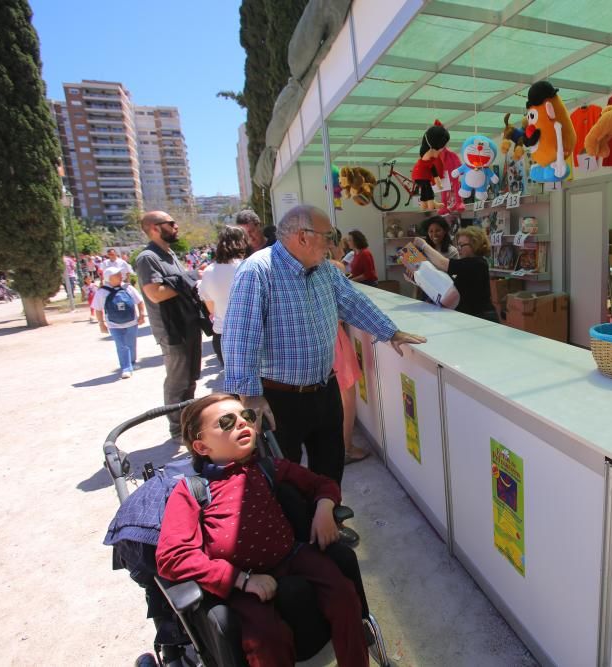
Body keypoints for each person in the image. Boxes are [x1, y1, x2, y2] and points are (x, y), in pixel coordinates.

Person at [156, 393, 370, 667]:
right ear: (201, 445)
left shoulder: (268, 467)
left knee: (343, 595)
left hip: (292, 555)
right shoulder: (192, 491)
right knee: (268, 640)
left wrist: (324, 509)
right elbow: (172, 556)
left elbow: (321, 484)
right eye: (226, 422)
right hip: (240, 581)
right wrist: (241, 579)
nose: (242, 424)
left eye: (246, 417)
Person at [222, 205, 425, 489]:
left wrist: (391, 332)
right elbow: (240, 337)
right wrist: (250, 396)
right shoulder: (258, 271)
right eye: (327, 236)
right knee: (285, 474)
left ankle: (330, 525)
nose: (332, 243)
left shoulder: (324, 271)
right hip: (280, 398)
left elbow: (352, 303)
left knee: (330, 464)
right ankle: (300, 531)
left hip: (324, 389)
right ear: (303, 237)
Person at [135, 211, 205, 441]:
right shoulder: (148, 258)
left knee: (191, 377)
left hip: (188, 324)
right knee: (178, 380)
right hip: (172, 330)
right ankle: (177, 428)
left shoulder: (169, 253)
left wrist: (188, 280)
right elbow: (155, 293)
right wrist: (190, 279)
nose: (176, 226)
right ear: (155, 228)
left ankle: (187, 422)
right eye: (171, 223)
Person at [326, 231, 370, 465]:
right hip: (335, 337)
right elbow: (351, 304)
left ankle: (333, 448)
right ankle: (346, 447)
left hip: (321, 340)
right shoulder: (333, 267)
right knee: (346, 396)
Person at [412, 223, 498, 322]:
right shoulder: (466, 263)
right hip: (469, 317)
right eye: (458, 245)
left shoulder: (477, 263)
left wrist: (423, 245)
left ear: (475, 244)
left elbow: (442, 263)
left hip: (481, 318)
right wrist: (417, 278)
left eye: (462, 245)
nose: (458, 248)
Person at [199, 226, 247, 367]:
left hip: (222, 335)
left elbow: (211, 308)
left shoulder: (208, 271)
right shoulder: (248, 267)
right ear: (242, 243)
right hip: (248, 333)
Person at [94, 266, 146, 379]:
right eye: (116, 275)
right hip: (114, 324)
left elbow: (139, 301)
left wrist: (142, 315)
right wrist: (101, 323)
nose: (120, 276)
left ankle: (132, 362)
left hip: (131, 322)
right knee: (121, 345)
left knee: (131, 344)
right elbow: (98, 309)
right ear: (109, 278)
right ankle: (126, 368)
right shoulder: (102, 292)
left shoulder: (128, 288)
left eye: (119, 274)